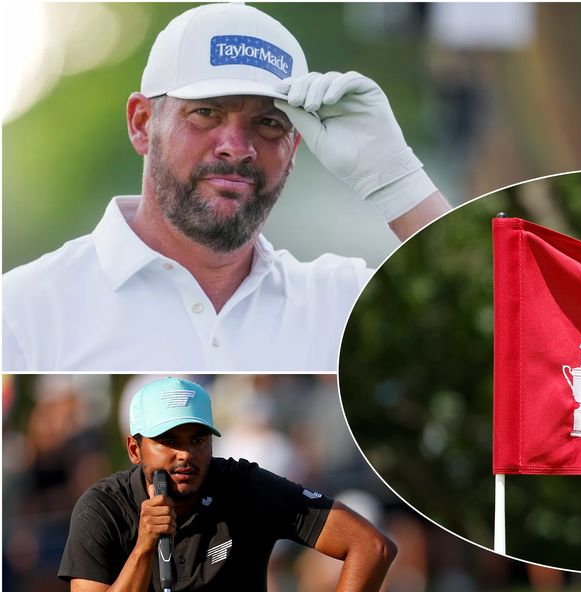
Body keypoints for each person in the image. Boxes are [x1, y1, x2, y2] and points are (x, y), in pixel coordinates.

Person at [3, 3, 452, 372]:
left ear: (295, 148)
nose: (237, 148)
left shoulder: (340, 304)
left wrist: (395, 179)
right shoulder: (26, 312)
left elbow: (515, 333)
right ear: (142, 124)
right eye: (206, 113)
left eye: (268, 123)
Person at [54, 377, 397, 592]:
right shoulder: (103, 506)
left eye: (198, 439)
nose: (185, 454)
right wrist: (144, 547)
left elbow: (371, 546)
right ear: (134, 449)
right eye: (168, 441)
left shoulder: (246, 486)